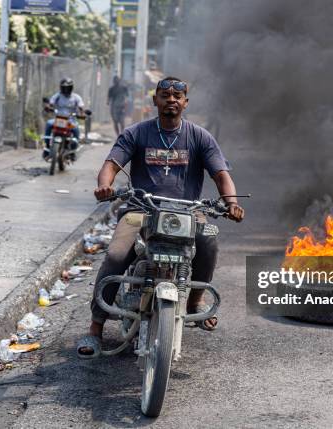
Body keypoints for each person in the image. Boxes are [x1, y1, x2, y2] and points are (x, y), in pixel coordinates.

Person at [77, 77, 245, 357]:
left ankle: (194, 302)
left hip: (188, 212)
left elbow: (221, 175)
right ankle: (95, 328)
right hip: (141, 210)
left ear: (185, 103)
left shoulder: (200, 137)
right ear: (154, 100)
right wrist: (104, 185)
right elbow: (111, 165)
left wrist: (231, 203)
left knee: (208, 243)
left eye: (177, 96)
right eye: (164, 95)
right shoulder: (137, 133)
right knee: (117, 256)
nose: (171, 100)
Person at [43, 77, 85, 160]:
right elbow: (51, 103)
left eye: (67, 88)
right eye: (64, 87)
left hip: (71, 121)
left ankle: (73, 151)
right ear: (61, 87)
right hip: (59, 120)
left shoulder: (76, 97)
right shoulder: (57, 95)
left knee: (76, 129)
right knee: (48, 123)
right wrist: (48, 107)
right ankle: (47, 148)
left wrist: (82, 114)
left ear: (71, 87)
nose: (65, 90)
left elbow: (81, 108)